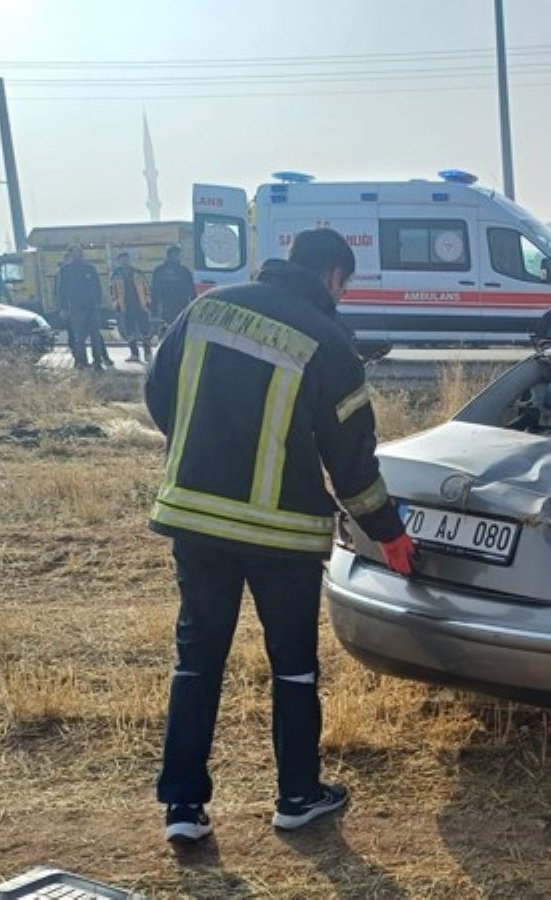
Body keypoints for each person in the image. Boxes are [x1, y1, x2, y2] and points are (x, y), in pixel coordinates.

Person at [145, 228, 416, 844]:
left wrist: (201, 454)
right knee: (293, 667)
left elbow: (160, 392)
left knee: (197, 662)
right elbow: (353, 464)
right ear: (333, 277)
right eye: (345, 287)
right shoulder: (330, 343)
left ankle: (182, 810)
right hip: (282, 535)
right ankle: (297, 796)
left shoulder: (206, 307)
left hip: (197, 518)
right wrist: (389, 534)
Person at [57, 246, 109, 371]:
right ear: (71, 255)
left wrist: (97, 303)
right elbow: (61, 291)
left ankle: (98, 362)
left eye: (81, 253)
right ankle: (81, 362)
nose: (79, 255)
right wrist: (63, 308)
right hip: (76, 309)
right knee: (79, 338)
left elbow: (97, 287)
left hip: (92, 308)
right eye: (76, 253)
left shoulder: (90, 269)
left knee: (95, 337)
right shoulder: (65, 271)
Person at [109, 251, 154, 362]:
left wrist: (148, 301)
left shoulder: (138, 273)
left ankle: (147, 353)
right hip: (126, 307)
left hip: (140, 305)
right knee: (129, 331)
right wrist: (116, 305)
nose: (124, 262)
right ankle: (134, 354)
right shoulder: (115, 275)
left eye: (126, 259)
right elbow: (113, 292)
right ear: (118, 262)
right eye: (122, 260)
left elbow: (146, 288)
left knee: (145, 330)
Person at [150, 244, 197, 329]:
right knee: (165, 328)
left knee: (181, 327)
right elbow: (154, 291)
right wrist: (154, 310)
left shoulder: (184, 271)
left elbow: (191, 290)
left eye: (178, 254)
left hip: (182, 304)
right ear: (169, 255)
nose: (178, 256)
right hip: (165, 306)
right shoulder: (159, 271)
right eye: (175, 254)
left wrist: (194, 305)